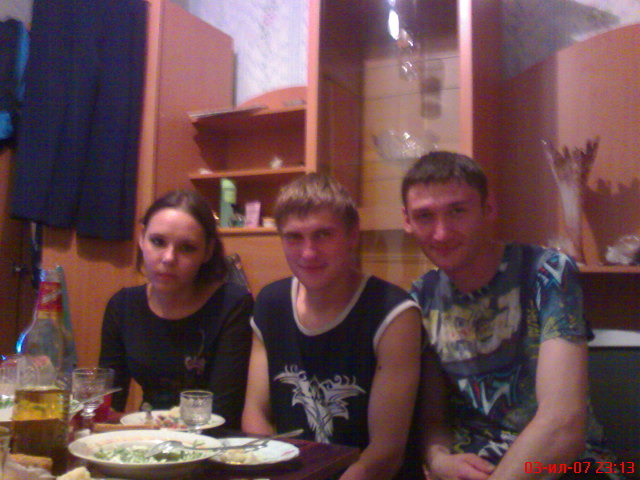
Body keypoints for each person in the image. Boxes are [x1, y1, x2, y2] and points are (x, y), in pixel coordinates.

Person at [401, 151, 622, 480]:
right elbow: (433, 417)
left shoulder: (546, 273)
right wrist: (437, 459)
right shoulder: (422, 295)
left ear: (488, 209)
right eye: (424, 216)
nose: (442, 233)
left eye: (458, 211)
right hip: (472, 467)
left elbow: (562, 425)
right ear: (407, 221)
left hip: (568, 465)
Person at [242, 173, 422, 480]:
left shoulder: (394, 313)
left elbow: (386, 453)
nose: (308, 253)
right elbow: (255, 413)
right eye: (294, 237)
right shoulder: (271, 303)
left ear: (352, 237)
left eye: (323, 235)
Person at [99, 189, 253, 429]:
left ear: (207, 251)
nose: (169, 258)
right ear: (142, 239)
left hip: (213, 441)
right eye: (157, 242)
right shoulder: (123, 306)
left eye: (187, 248)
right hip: (147, 438)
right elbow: (108, 405)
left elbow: (225, 413)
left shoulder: (232, 305)